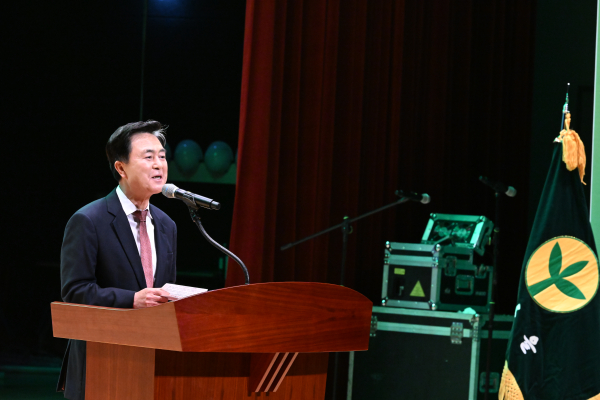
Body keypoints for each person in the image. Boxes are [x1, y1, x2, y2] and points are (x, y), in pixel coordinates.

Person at [57, 120, 177, 400]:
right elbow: (75, 290)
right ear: (121, 168)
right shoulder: (88, 220)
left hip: (152, 361)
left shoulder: (167, 225)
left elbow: (164, 290)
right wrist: (132, 299)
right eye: (148, 157)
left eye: (162, 156)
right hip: (102, 360)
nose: (159, 165)